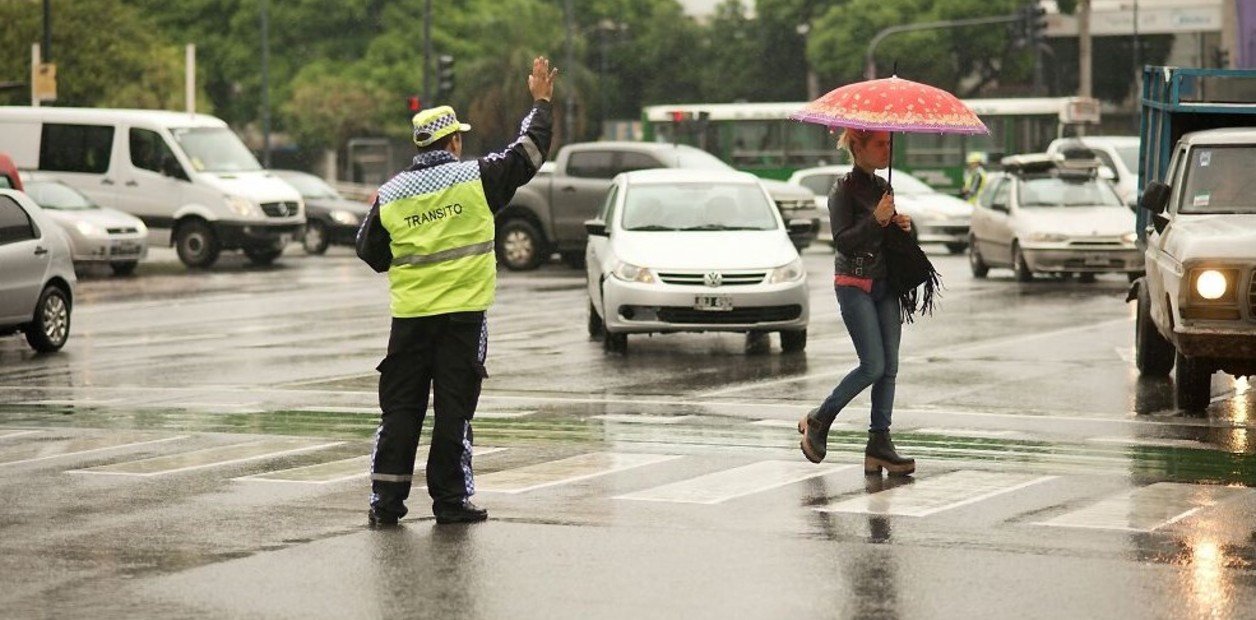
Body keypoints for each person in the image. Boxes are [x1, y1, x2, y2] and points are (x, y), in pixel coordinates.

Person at [356, 56, 557, 526]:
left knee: (400, 411)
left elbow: (369, 250)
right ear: (453, 141)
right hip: (463, 320)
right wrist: (541, 102)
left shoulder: (391, 193)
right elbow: (528, 151)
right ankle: (449, 502)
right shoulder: (476, 178)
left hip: (410, 321)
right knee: (453, 411)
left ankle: (385, 503)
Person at [798, 128, 916, 476]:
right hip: (854, 284)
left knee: (889, 367)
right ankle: (819, 419)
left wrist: (900, 226)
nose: (887, 149)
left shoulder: (883, 187)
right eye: (879, 143)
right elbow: (844, 241)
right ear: (857, 147)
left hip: (885, 285)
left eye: (888, 143)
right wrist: (876, 219)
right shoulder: (842, 189)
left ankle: (879, 443)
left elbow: (885, 240)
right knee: (873, 365)